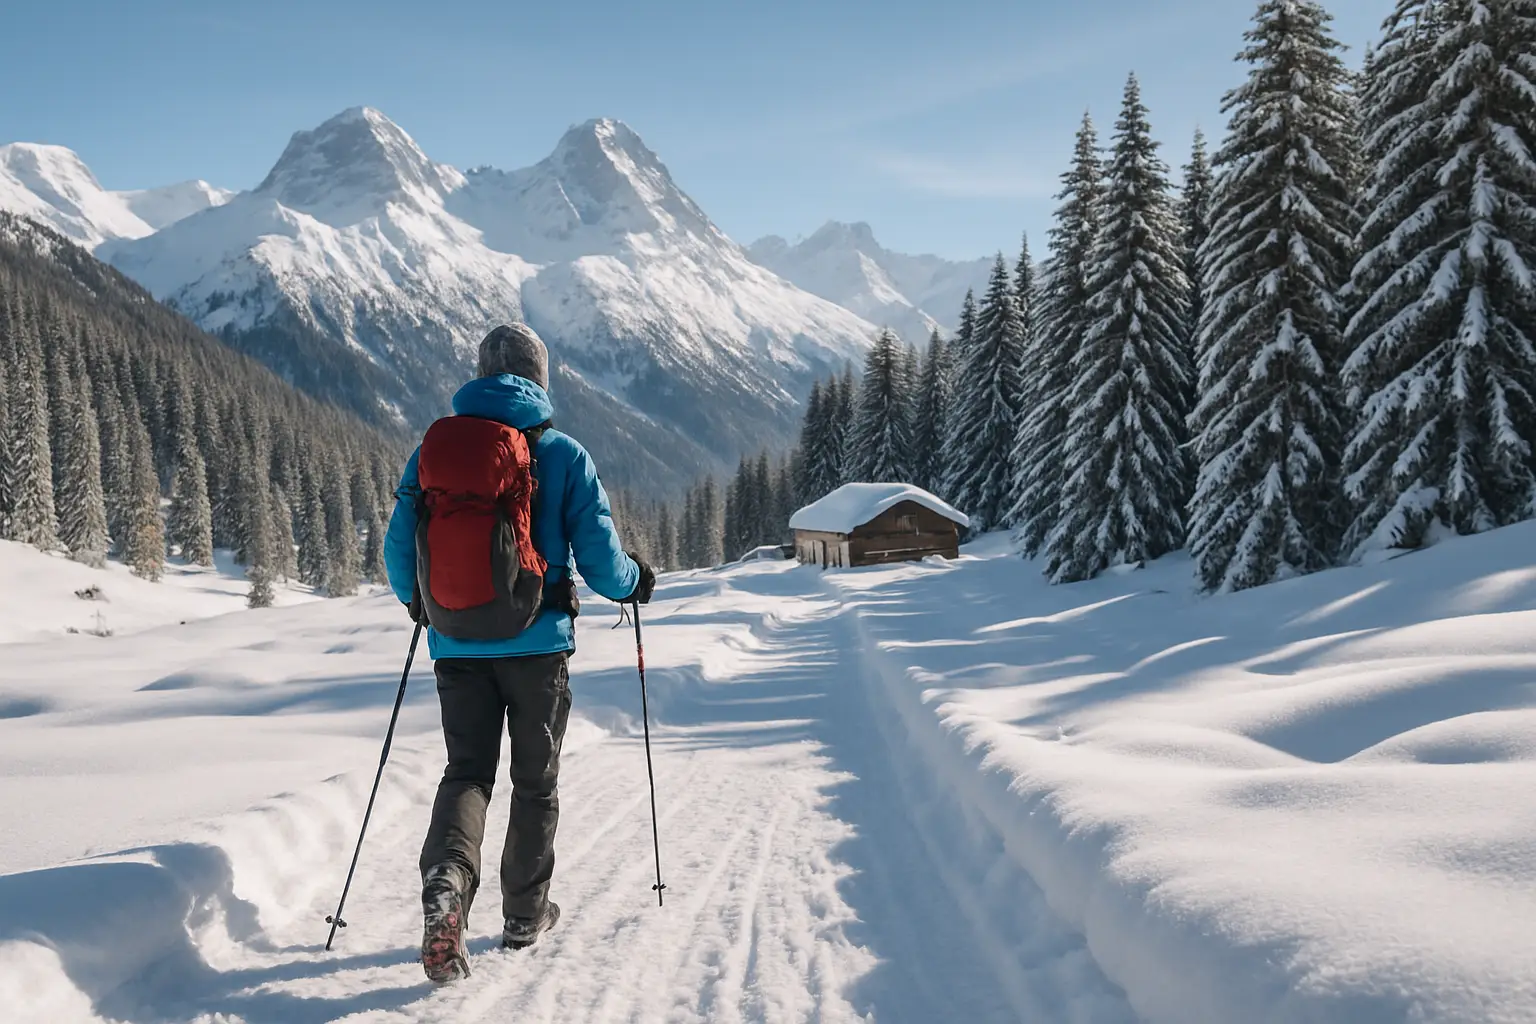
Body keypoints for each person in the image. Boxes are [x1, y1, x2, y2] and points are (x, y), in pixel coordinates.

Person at [385, 322, 656, 982]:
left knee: (467, 773)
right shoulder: (563, 453)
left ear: (479, 374)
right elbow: (598, 559)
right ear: (540, 378)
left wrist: (425, 606)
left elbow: (399, 550)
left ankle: (448, 884)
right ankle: (524, 914)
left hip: (456, 645)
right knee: (535, 782)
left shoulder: (433, 454)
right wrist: (636, 581)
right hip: (537, 650)